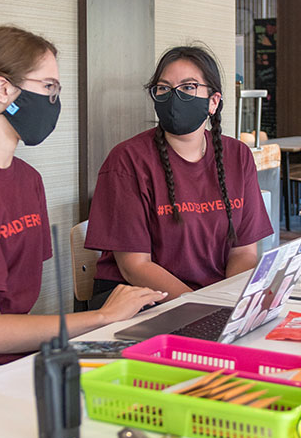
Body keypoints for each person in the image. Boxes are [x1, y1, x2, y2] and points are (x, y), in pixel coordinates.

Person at [0, 26, 164, 402]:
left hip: (15, 361)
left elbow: (17, 307)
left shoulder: (27, 180)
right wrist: (102, 316)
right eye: (49, 87)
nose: (55, 101)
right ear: (4, 90)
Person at [85, 45, 273, 308]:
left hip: (212, 302)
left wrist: (234, 302)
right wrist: (202, 305)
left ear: (213, 102)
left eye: (188, 87)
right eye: (163, 88)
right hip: (142, 303)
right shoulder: (127, 160)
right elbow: (135, 267)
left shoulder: (238, 156)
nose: (174, 97)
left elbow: (243, 252)